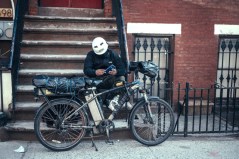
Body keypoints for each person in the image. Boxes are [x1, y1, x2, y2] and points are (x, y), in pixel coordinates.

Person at [84, 37, 132, 110]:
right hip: (97, 80)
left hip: (110, 79)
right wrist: (95, 72)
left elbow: (123, 69)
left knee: (121, 80)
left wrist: (116, 72)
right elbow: (86, 70)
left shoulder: (112, 54)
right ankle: (99, 105)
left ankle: (109, 99)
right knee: (89, 85)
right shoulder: (90, 55)